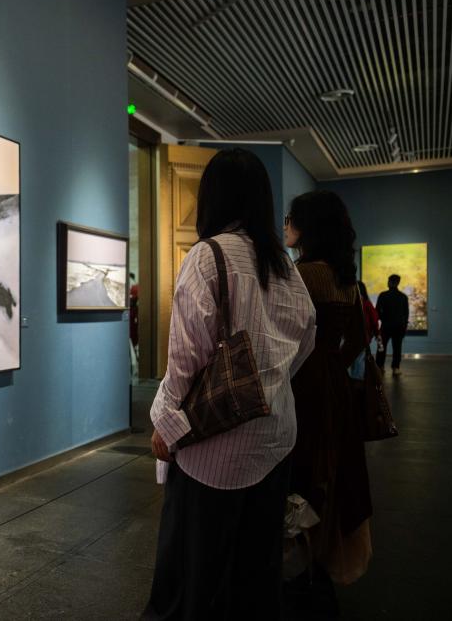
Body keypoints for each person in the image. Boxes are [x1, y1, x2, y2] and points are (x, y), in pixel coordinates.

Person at [143, 149, 316, 620]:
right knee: (256, 572)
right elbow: (306, 339)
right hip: (276, 437)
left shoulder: (207, 256)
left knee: (193, 574)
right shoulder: (284, 265)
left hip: (213, 445)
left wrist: (166, 425)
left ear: (211, 196)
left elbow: (185, 360)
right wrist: (267, 383)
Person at [284, 190, 373, 614]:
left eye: (291, 219)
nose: (285, 226)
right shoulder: (344, 278)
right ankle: (320, 559)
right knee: (330, 471)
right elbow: (358, 338)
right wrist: (332, 363)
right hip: (334, 387)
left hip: (302, 386)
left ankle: (298, 563)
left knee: (299, 471)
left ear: (308, 227)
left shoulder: (300, 275)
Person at [375, 274, 409, 376]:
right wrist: (404, 326)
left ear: (389, 282)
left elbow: (377, 311)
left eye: (388, 281)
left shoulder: (383, 295)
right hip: (399, 327)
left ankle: (380, 367)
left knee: (381, 347)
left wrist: (383, 318)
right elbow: (406, 314)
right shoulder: (403, 297)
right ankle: (395, 368)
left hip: (385, 326)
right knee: (397, 348)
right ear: (398, 283)